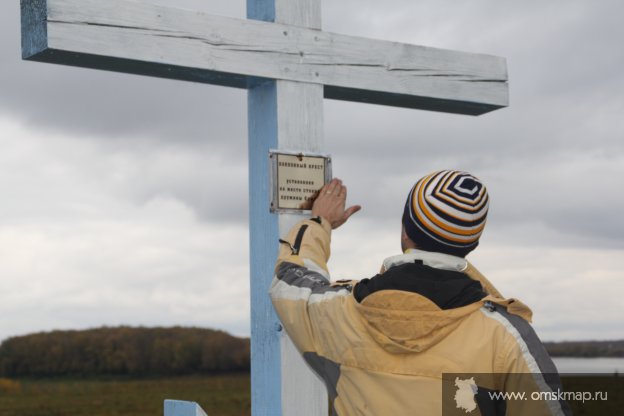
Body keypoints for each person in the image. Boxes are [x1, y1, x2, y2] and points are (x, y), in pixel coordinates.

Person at [270, 170, 570, 415]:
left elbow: (292, 281)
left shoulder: (339, 312)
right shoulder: (506, 337)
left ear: (405, 231)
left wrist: (319, 223)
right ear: (473, 244)